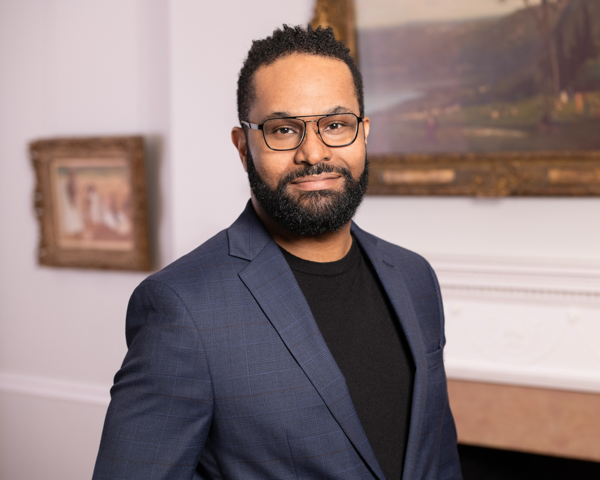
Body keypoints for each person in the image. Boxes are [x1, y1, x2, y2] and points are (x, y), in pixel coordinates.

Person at [93, 25, 462, 480]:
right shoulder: (182, 308)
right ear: (243, 147)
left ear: (363, 133)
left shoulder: (414, 277)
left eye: (335, 125)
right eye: (283, 129)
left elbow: (438, 459)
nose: (313, 152)